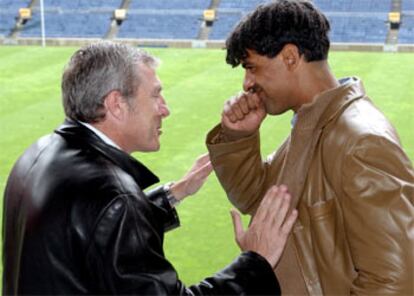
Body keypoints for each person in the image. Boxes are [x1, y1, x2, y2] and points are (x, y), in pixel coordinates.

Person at [2, 41, 298, 295]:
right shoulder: (115, 199)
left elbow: (89, 232)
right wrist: (255, 262)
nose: (165, 109)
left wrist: (171, 195)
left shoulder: (39, 153)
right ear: (116, 104)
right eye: (156, 95)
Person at [206, 1, 414, 295]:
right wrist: (238, 137)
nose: (247, 83)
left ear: (290, 57)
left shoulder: (361, 141)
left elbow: (396, 282)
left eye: (252, 68)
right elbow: (255, 198)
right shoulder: (311, 125)